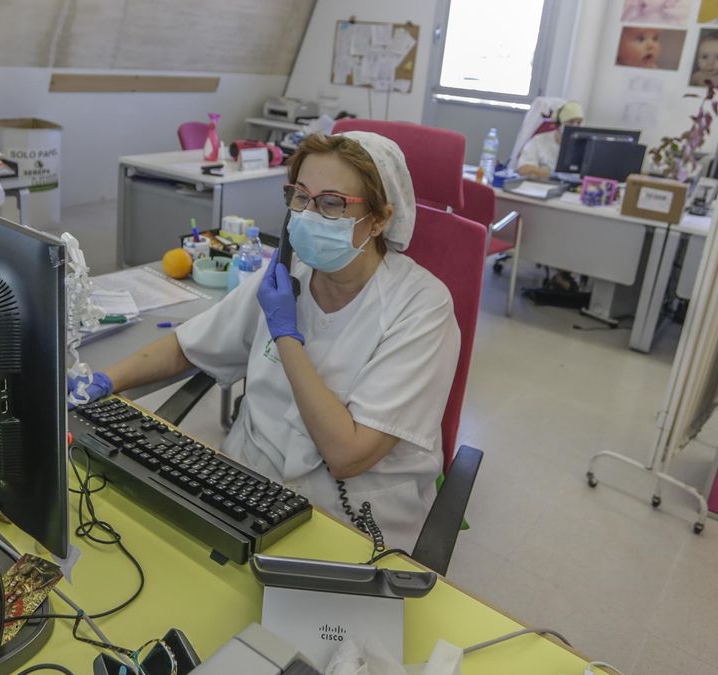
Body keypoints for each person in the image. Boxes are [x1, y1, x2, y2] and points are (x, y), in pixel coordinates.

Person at [69, 132, 460, 552]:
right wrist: (104, 381)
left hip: (352, 517)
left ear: (380, 219)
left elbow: (348, 455)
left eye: (331, 204)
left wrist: (285, 334)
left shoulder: (422, 307)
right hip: (244, 484)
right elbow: (189, 345)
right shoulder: (286, 275)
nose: (307, 216)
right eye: (300, 197)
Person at [515, 101, 584, 180]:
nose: (575, 126)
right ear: (558, 124)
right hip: (539, 188)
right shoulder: (538, 141)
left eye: (579, 122)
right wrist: (555, 175)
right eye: (570, 122)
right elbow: (524, 169)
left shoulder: (584, 145)